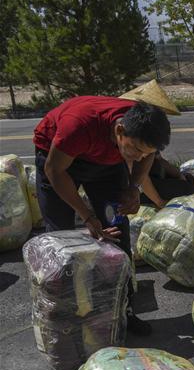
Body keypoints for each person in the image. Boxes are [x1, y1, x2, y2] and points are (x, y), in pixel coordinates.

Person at [33, 96, 172, 335]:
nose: (138, 157)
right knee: (60, 239)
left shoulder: (143, 130)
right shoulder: (79, 125)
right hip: (59, 161)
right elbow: (54, 170)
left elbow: (148, 154)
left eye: (144, 152)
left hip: (106, 165)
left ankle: (123, 309)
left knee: (117, 230)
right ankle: (64, 316)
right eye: (135, 150)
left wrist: (133, 187)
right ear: (119, 130)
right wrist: (87, 216)